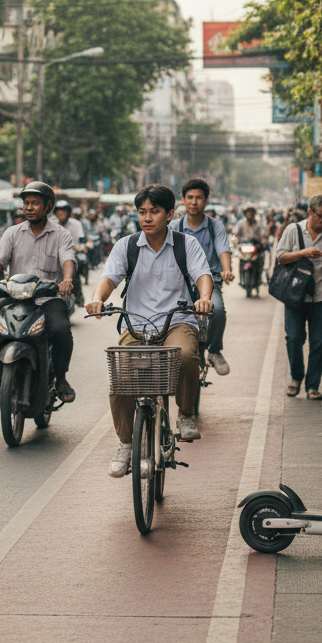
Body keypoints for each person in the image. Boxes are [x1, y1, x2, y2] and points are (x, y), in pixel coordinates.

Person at [87, 183, 214, 475]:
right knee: (120, 373)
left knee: (185, 356)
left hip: (177, 320)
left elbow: (203, 275)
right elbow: (109, 279)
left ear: (169, 214)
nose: (147, 218)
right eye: (142, 212)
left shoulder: (186, 244)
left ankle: (185, 414)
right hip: (137, 323)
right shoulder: (126, 246)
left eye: (154, 212)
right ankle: (126, 444)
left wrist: (204, 298)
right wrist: (97, 300)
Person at [0, 181, 77, 402]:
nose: (29, 208)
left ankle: (61, 377)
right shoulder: (12, 233)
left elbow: (68, 260)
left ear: (48, 206)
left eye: (35, 203)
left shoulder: (61, 235)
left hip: (48, 298)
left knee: (61, 330)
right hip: (16, 297)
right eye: (26, 203)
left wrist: (67, 280)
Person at [275, 193, 322, 400]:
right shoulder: (292, 230)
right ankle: (296, 377)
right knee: (293, 338)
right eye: (319, 216)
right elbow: (281, 257)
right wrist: (304, 253)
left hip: (320, 295)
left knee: (319, 343)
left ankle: (313, 385)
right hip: (294, 294)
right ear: (310, 212)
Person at [174, 178, 233, 376]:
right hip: (179, 284)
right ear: (183, 200)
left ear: (206, 200)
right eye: (189, 197)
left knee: (217, 310)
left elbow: (223, 249)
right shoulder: (174, 226)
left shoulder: (215, 226)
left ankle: (215, 351)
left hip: (210, 282)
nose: (194, 202)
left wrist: (226, 269)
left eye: (199, 198)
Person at [53, 198, 86, 305]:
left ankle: (78, 297)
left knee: (73, 274)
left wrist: (80, 247)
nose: (60, 213)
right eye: (58, 211)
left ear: (68, 213)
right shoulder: (52, 224)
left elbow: (81, 240)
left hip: (71, 255)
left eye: (63, 211)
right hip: (54, 257)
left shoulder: (76, 224)